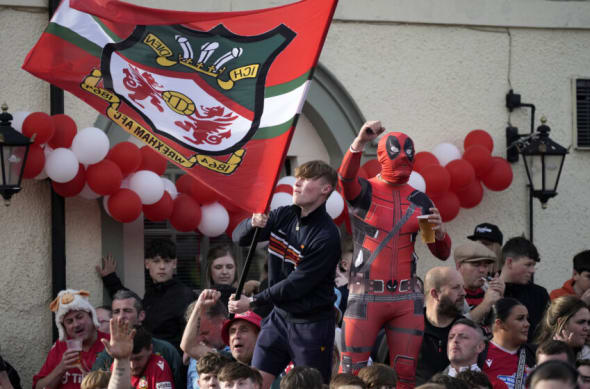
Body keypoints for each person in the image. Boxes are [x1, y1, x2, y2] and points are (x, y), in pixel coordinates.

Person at [337, 121, 451, 388]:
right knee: (350, 375)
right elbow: (345, 179)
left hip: (404, 298)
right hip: (365, 294)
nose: (403, 162)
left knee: (405, 376)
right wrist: (359, 143)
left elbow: (439, 251)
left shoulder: (420, 201)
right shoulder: (365, 192)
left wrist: (441, 232)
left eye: (407, 157)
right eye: (397, 156)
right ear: (381, 158)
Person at [230, 160, 341, 387]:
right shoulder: (283, 215)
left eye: (306, 179)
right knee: (253, 383)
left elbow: (296, 285)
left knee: (309, 386)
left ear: (325, 189)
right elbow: (239, 238)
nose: (296, 183)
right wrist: (252, 224)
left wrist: (251, 302)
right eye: (297, 178)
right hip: (278, 319)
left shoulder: (327, 235)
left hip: (312, 325)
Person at [97, 239, 196, 352]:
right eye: (156, 261)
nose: (162, 266)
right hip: (145, 355)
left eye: (167, 261)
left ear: (174, 264)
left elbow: (191, 334)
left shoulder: (184, 295)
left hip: (171, 359)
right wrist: (110, 278)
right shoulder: (152, 293)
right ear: (147, 264)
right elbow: (132, 303)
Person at [91, 289, 183, 389]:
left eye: (127, 311)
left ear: (141, 315)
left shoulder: (166, 350)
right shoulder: (107, 354)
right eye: (116, 312)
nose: (121, 317)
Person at [34, 289, 109, 389]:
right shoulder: (61, 346)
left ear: (91, 316)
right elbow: (38, 387)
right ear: (64, 327)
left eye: (79, 317)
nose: (76, 324)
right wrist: (60, 368)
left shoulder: (109, 343)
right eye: (69, 321)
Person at [416, 267, 466, 384]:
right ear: (435, 294)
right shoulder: (408, 329)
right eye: (456, 288)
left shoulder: (468, 331)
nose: (464, 293)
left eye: (462, 287)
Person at [499, 237, 549, 342]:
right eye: (528, 264)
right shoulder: (487, 290)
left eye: (534, 265)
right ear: (509, 262)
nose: (532, 270)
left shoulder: (539, 294)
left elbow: (548, 331)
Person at [482, 298, 535, 389]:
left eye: (527, 319)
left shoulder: (535, 353)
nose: (527, 324)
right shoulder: (479, 353)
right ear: (500, 323)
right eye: (520, 319)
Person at [182, 289, 229, 389]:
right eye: (196, 335)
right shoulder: (196, 357)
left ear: (223, 324)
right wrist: (199, 306)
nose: (199, 340)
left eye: (204, 333)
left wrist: (200, 306)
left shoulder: (236, 353)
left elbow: (187, 346)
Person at [454, 242, 504, 325]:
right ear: (459, 266)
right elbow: (458, 327)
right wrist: (486, 304)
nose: (482, 270)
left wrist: (501, 300)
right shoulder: (450, 293)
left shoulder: (488, 288)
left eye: (485, 266)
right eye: (476, 265)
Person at [535, 295, 590, 360]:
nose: (587, 328)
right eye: (581, 322)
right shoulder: (533, 354)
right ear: (561, 323)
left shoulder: (586, 352)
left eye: (589, 323)